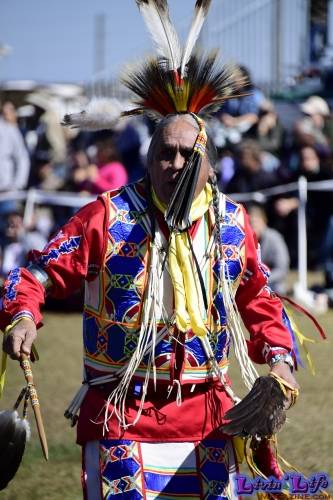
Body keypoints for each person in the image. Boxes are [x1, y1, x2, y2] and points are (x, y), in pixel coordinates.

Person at [0, 2, 300, 498]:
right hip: (122, 416)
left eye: (188, 154)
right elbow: (34, 274)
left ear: (208, 162)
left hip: (208, 419)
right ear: (150, 155)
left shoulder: (230, 223)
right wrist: (25, 316)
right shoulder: (107, 216)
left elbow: (260, 297)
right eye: (166, 152)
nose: (176, 163)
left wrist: (281, 361)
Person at [248, 204, 290, 294]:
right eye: (251, 224)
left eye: (256, 223)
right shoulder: (247, 241)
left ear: (264, 222)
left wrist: (262, 280)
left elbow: (282, 269)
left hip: (273, 284)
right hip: (253, 284)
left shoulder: (275, 238)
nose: (254, 227)